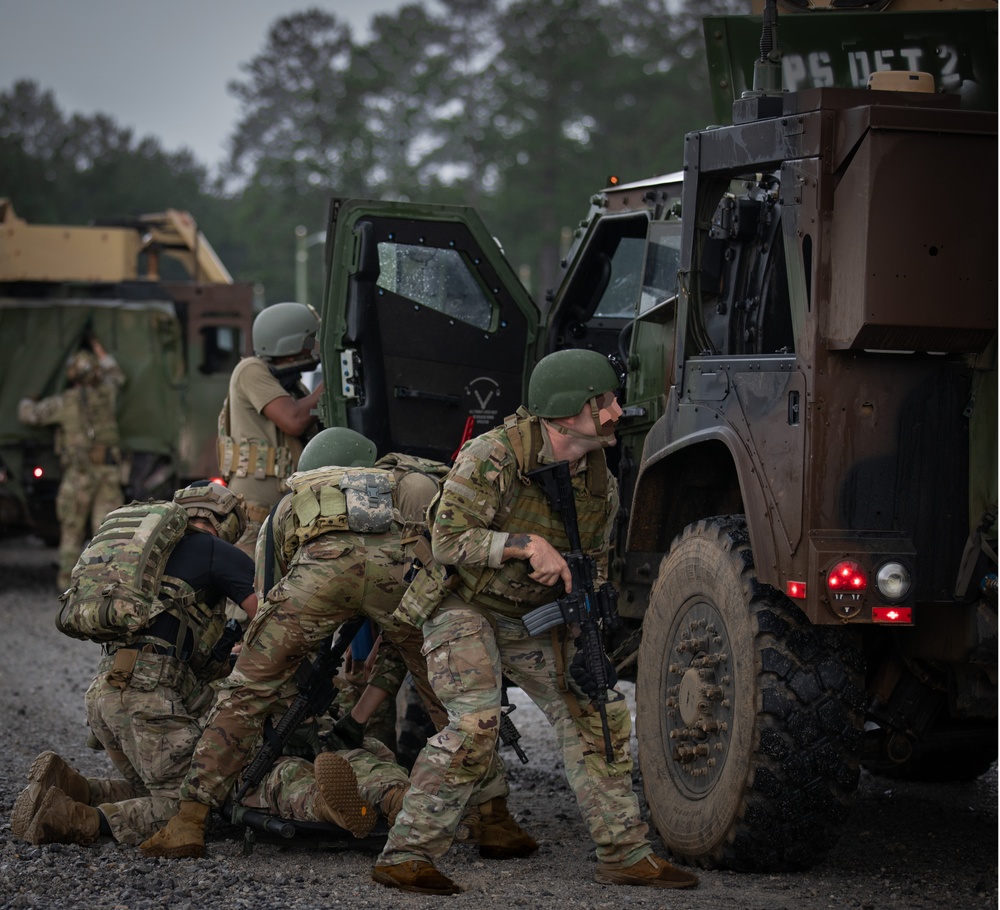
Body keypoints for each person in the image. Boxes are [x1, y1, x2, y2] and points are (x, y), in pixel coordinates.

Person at [370, 349, 700, 895]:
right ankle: (406, 855)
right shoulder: (491, 457)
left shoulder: (600, 483)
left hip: (532, 616)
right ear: (571, 412)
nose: (619, 411)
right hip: (463, 604)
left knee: (597, 712)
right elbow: (448, 542)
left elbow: (591, 564)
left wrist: (584, 633)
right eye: (607, 402)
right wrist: (524, 545)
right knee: (476, 726)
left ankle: (624, 853)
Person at [139, 427, 534, 860]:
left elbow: (270, 592)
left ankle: (189, 820)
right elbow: (441, 555)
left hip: (319, 573)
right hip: (397, 573)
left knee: (246, 693)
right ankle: (495, 821)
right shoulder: (410, 482)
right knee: (455, 702)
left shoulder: (293, 501)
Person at [10, 482, 257, 847]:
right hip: (148, 698)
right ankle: (71, 819)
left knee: (149, 787)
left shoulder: (143, 560)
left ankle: (74, 786)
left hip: (104, 694)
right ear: (227, 522)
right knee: (191, 802)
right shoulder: (215, 550)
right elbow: (271, 622)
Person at [216, 301, 325, 559]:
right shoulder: (251, 370)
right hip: (254, 515)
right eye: (309, 341)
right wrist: (330, 383)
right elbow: (293, 419)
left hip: (281, 511)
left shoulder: (290, 383)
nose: (313, 348)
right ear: (290, 343)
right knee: (247, 591)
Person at [17, 336, 125, 589]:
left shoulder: (64, 402)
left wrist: (28, 398)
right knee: (108, 534)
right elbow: (117, 374)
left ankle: (67, 587)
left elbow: (28, 414)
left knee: (71, 534)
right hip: (108, 474)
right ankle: (104, 588)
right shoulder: (107, 393)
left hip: (78, 475)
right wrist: (100, 350)